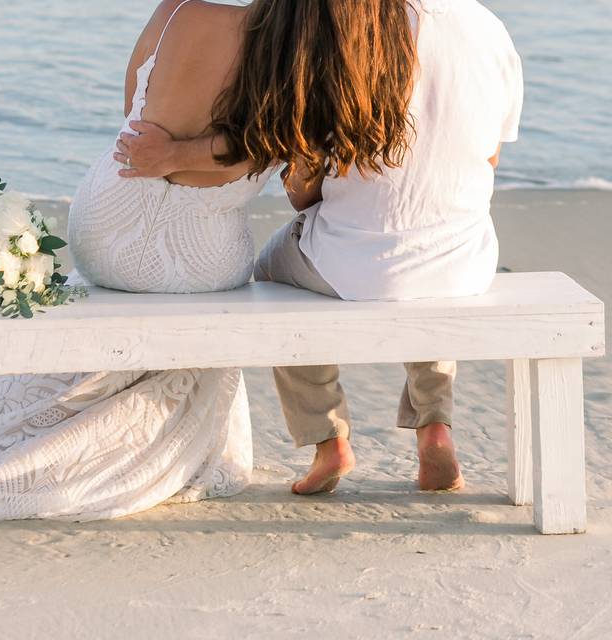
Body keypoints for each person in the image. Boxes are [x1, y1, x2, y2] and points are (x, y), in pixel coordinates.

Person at [0, 0, 424, 520]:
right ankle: (152, 444)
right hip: (205, 263)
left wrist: (172, 155)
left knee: (99, 281)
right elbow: (288, 152)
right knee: (229, 277)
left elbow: (134, 110)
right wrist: (199, 158)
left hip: (111, 237)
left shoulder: (190, 14)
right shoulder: (324, 51)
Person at [115, 0, 524, 495]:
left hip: (354, 267)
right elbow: (490, 155)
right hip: (465, 261)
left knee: (271, 277)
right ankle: (434, 424)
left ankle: (328, 439)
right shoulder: (490, 28)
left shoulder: (357, 27)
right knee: (429, 253)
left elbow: (302, 180)